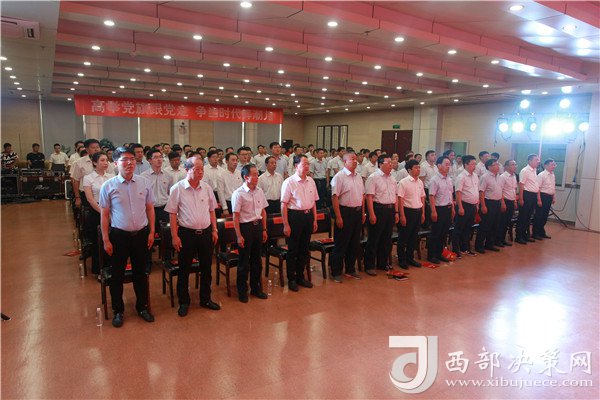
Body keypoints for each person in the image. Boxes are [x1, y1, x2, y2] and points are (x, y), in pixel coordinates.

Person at [99, 147, 155, 328]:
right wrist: (106, 239)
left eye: (132, 159)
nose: (130, 162)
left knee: (140, 273)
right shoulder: (108, 186)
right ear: (116, 163)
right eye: (124, 159)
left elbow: (150, 208)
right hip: (119, 236)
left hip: (141, 235)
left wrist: (152, 232)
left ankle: (142, 307)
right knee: (117, 275)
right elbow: (104, 215)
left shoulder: (144, 182)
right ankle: (118, 311)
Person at [165, 156, 220, 317]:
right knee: (184, 268)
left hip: (205, 233)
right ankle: (184, 302)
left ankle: (205, 298)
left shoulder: (207, 188)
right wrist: (174, 236)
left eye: (202, 169)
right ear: (187, 170)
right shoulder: (177, 188)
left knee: (206, 267)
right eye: (197, 169)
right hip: (186, 234)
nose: (201, 172)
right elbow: (172, 214)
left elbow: (212, 210)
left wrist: (214, 230)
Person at [231, 164, 269, 303]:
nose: (257, 177)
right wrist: (238, 235)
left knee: (257, 260)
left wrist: (264, 229)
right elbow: (235, 216)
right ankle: (242, 291)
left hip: (257, 227)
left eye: (257, 174)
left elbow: (263, 211)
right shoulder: (238, 193)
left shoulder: (259, 191)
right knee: (244, 262)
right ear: (246, 177)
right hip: (245, 228)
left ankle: (256, 288)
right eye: (254, 174)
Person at [281, 155, 318, 292]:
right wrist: (286, 224)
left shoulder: (311, 181)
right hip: (295, 217)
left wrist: (314, 219)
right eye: (304, 164)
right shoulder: (289, 182)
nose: (307, 166)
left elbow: (314, 202)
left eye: (308, 164)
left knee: (304, 248)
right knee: (293, 249)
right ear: (296, 166)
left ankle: (300, 276)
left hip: (308, 216)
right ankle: (291, 278)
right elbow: (283, 204)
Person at [330, 152, 365, 282]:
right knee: (341, 243)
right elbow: (335, 197)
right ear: (345, 162)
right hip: (345, 212)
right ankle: (336, 271)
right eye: (352, 159)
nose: (355, 161)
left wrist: (362, 213)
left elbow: (362, 196)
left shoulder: (358, 176)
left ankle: (350, 269)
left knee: (354, 242)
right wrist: (338, 217)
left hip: (357, 212)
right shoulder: (339, 177)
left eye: (356, 159)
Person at [364, 155, 399, 275]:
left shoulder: (392, 178)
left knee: (386, 238)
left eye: (391, 163)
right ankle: (369, 265)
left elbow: (395, 196)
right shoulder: (373, 177)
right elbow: (369, 197)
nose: (391, 165)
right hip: (378, 209)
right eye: (388, 163)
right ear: (380, 164)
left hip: (390, 210)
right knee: (374, 238)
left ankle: (382, 263)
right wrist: (371, 214)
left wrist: (396, 212)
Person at [82, 152, 114, 275]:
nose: (106, 163)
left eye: (106, 160)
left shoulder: (111, 176)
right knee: (98, 241)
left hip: (112, 210)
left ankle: (112, 266)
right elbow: (90, 199)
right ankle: (99, 268)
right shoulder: (88, 178)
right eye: (102, 160)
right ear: (95, 162)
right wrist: (104, 213)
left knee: (113, 239)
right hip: (97, 211)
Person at [396, 159, 426, 269]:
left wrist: (423, 213)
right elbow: (400, 199)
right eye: (416, 168)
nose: (418, 169)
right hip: (407, 212)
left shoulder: (420, 182)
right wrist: (402, 215)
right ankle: (402, 260)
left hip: (418, 211)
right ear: (409, 170)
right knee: (403, 237)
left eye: (419, 167)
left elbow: (422, 198)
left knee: (414, 237)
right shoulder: (403, 182)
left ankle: (410, 258)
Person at [427, 156, 454, 264]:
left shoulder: (449, 179)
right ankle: (431, 255)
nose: (448, 166)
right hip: (439, 209)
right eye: (446, 164)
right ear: (439, 166)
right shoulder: (434, 180)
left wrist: (452, 208)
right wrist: (433, 211)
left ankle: (439, 253)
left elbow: (451, 195)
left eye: (449, 164)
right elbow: (431, 196)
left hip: (448, 208)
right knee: (435, 233)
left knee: (444, 233)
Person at [72, 139, 115, 208]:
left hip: (103, 193)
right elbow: (76, 180)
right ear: (86, 149)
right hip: (86, 194)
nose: (96, 149)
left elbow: (112, 178)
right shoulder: (79, 163)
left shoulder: (106, 162)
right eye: (93, 147)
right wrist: (77, 197)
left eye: (98, 147)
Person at [474, 159, 504, 253]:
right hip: (488, 203)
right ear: (489, 167)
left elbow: (501, 190)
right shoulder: (485, 177)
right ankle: (479, 246)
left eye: (498, 164)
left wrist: (502, 202)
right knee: (485, 225)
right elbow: (481, 192)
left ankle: (489, 244)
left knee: (494, 225)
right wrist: (483, 206)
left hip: (497, 203)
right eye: (495, 165)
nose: (498, 166)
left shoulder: (499, 176)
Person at [452, 155, 479, 258]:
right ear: (466, 165)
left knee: (468, 229)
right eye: (472, 164)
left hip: (473, 206)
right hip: (464, 205)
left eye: (475, 164)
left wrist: (476, 204)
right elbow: (458, 192)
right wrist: (460, 207)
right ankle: (456, 249)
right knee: (459, 228)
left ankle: (465, 248)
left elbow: (476, 190)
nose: (474, 166)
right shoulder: (461, 176)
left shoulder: (475, 176)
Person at [141, 149, 172, 233]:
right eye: (155, 157)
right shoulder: (143, 177)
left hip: (165, 209)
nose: (159, 159)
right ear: (149, 160)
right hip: (151, 209)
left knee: (166, 233)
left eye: (160, 157)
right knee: (151, 232)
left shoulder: (168, 175)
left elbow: (169, 192)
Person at [515, 154, 541, 244]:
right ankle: (519, 236)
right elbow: (521, 185)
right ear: (530, 161)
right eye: (536, 160)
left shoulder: (534, 170)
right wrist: (521, 198)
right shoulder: (525, 170)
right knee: (523, 216)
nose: (538, 161)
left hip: (533, 195)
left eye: (538, 160)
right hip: (526, 195)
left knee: (528, 217)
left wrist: (537, 197)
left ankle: (525, 235)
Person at [533, 159, 556, 240]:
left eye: (554, 165)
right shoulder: (541, 175)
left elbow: (553, 187)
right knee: (539, 215)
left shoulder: (553, 175)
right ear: (545, 165)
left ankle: (541, 232)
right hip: (543, 196)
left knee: (545, 216)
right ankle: (535, 233)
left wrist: (553, 197)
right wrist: (539, 199)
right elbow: (538, 188)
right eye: (552, 164)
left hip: (549, 197)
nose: (553, 166)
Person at [497, 159, 518, 247]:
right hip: (505, 201)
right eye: (512, 164)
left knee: (507, 222)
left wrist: (515, 201)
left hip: (511, 201)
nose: (515, 166)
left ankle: (502, 239)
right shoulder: (503, 177)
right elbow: (500, 190)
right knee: (502, 222)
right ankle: (498, 240)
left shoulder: (514, 176)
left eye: (515, 164)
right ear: (506, 167)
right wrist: (502, 203)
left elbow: (514, 189)